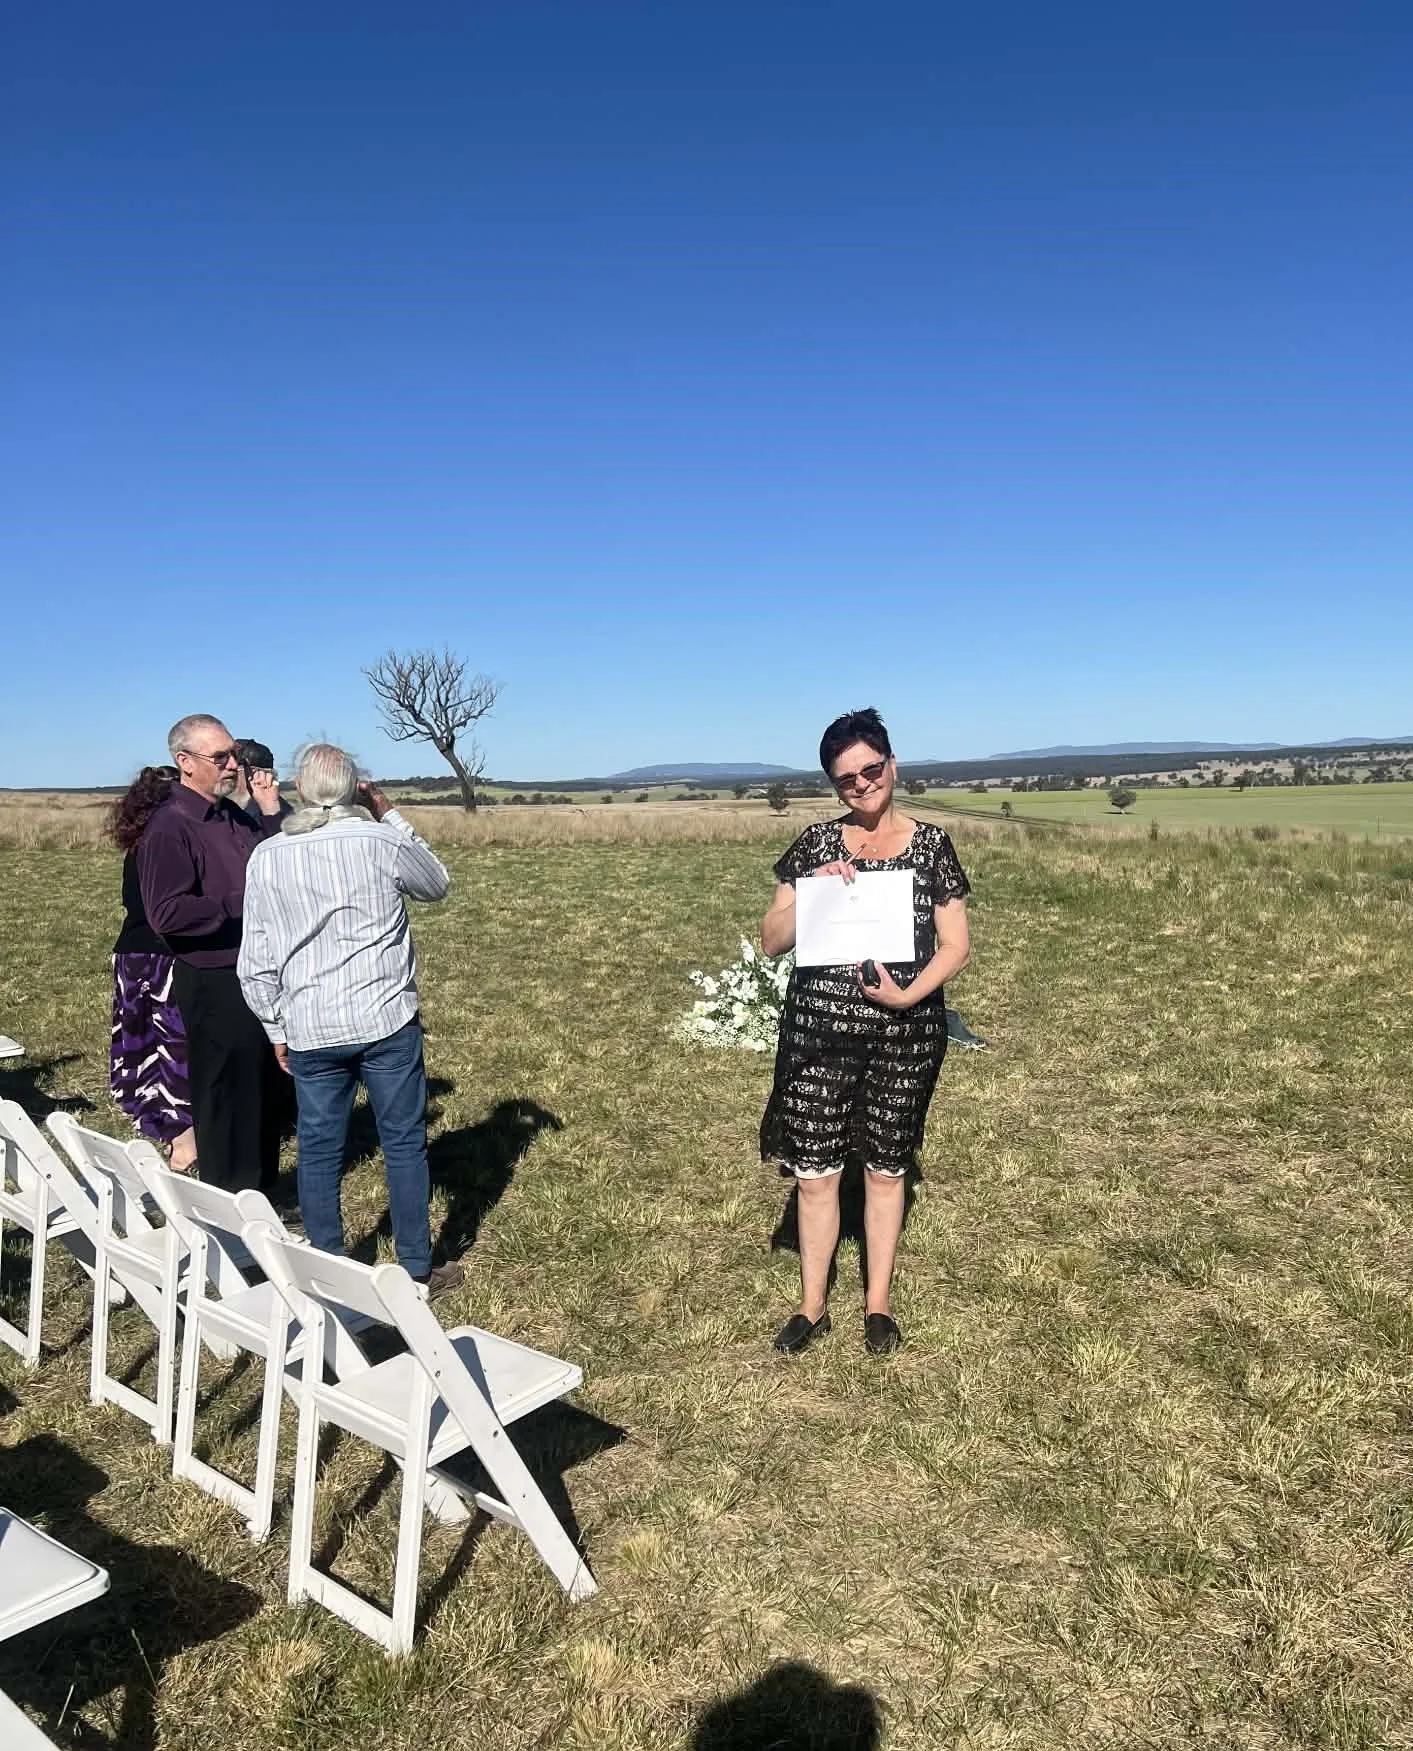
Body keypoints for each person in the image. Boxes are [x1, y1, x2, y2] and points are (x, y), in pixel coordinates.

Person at [760, 707, 971, 1355]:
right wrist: (808, 889)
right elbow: (770, 941)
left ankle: (876, 1304)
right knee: (816, 1173)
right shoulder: (814, 845)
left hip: (903, 1036)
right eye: (845, 778)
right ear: (833, 785)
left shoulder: (932, 844)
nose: (860, 785)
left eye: (869, 770)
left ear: (891, 764)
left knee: (885, 1169)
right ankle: (812, 1306)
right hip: (817, 1034)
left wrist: (906, 994)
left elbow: (955, 945)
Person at [237, 744, 462, 1299]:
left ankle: (327, 1267)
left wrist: (274, 1027)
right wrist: (385, 809)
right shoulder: (380, 840)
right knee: (404, 1143)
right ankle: (416, 1267)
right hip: (385, 1018)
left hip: (309, 1023)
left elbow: (257, 956)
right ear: (354, 786)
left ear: (298, 787)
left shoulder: (268, 855)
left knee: (317, 1148)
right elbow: (435, 883)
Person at [137, 714, 286, 1191]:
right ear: (184, 762)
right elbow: (167, 913)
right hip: (215, 979)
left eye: (232, 756)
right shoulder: (171, 826)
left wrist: (269, 810)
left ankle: (263, 1200)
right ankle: (228, 1213)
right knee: (225, 1099)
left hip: (254, 973)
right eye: (219, 757)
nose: (231, 765)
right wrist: (244, 904)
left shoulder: (230, 814)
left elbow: (275, 859)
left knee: (261, 1092)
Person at [106, 766, 196, 1172]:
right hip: (160, 957)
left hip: (132, 955)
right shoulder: (166, 839)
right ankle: (183, 1141)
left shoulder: (138, 839)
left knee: (144, 1045)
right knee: (172, 1047)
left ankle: (163, 1126)